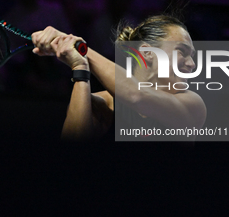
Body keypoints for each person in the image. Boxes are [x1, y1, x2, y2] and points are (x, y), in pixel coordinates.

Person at [31, 15, 207, 141]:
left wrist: (78, 46)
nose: (192, 64)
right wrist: (80, 68)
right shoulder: (102, 103)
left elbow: (137, 96)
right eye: (182, 52)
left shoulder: (192, 104)